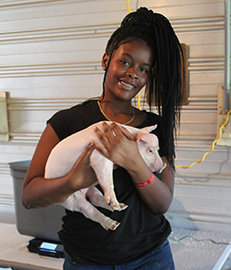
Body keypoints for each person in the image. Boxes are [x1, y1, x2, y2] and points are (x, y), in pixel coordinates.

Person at [22, 7, 184, 270]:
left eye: (143, 69)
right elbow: (29, 196)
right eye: (125, 61)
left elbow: (162, 203)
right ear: (106, 60)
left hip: (151, 258)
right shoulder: (67, 122)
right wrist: (74, 180)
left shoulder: (153, 128)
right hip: (86, 260)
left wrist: (134, 161)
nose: (133, 73)